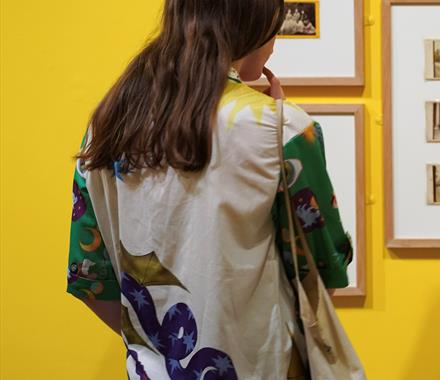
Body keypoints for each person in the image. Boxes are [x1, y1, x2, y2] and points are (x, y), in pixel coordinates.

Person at [66, 1, 356, 378]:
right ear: (251, 24)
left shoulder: (106, 128)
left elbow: (89, 276)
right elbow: (320, 274)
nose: (274, 45)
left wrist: (164, 350)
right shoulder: (283, 130)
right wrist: (281, 126)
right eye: (274, 28)